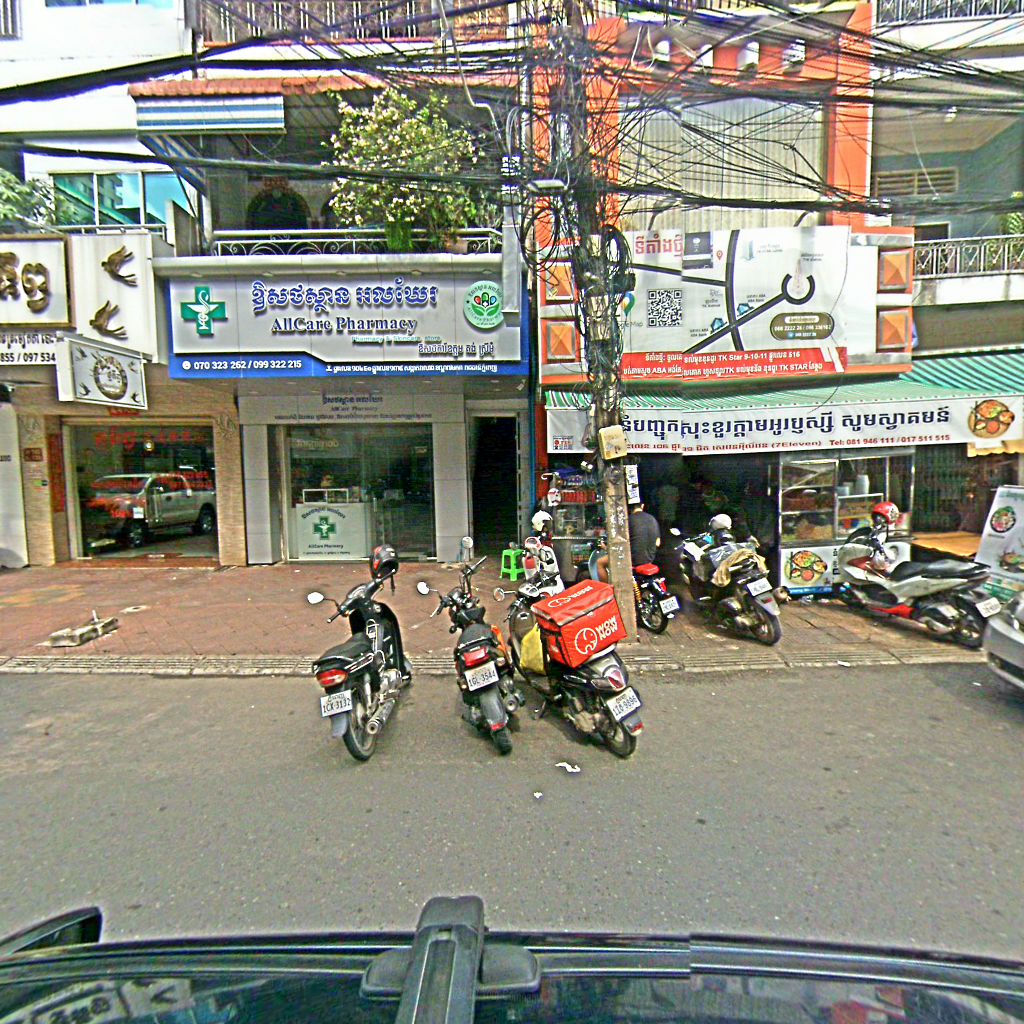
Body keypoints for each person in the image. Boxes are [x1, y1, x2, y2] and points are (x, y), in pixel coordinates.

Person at [597, 499, 661, 581]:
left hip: (632, 560)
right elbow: (657, 543)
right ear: (642, 506)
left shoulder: (627, 521)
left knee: (600, 563)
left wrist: (605, 548)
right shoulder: (652, 519)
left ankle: (607, 587)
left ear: (629, 509)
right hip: (649, 559)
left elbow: (620, 544)